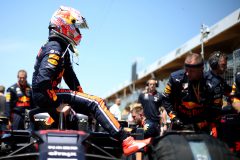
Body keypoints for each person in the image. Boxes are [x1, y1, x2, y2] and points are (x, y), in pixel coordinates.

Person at [31, 6, 150, 156]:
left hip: (46, 95)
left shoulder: (61, 48)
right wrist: (55, 104)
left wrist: (81, 99)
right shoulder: (55, 48)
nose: (78, 31)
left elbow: (70, 77)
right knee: (96, 102)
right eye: (75, 26)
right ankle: (127, 141)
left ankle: (83, 148)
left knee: (87, 106)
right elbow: (42, 81)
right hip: (46, 95)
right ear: (65, 24)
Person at [162, 53, 210, 132]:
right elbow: (166, 98)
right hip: (179, 122)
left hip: (201, 124)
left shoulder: (209, 81)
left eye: (191, 71)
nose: (187, 73)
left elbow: (213, 104)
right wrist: (173, 117)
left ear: (201, 69)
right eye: (186, 69)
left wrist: (207, 120)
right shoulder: (175, 78)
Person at [204, 51, 232, 137]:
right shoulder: (204, 80)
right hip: (206, 124)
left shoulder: (221, 81)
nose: (225, 67)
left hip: (218, 121)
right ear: (214, 64)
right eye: (223, 65)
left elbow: (231, 93)